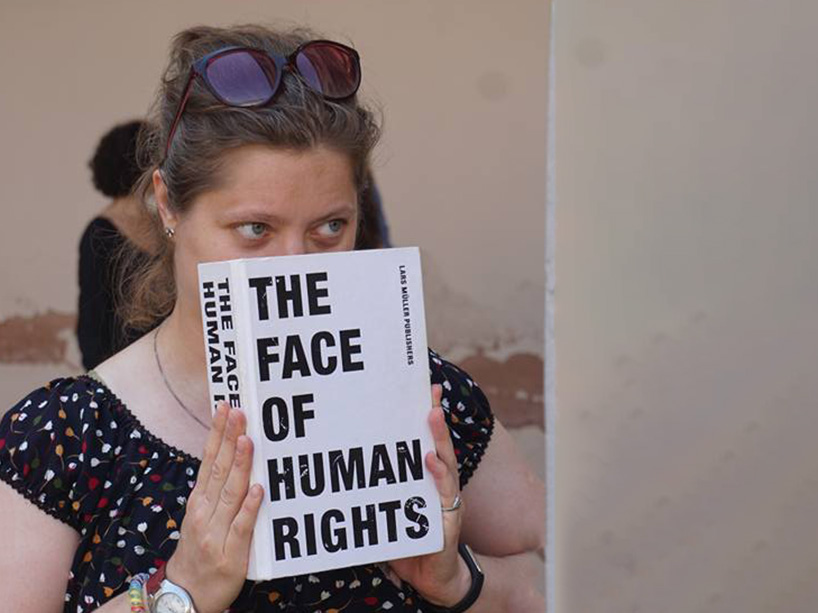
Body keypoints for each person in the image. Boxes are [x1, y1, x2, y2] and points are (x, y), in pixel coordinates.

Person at [0, 25, 545, 612]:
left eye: (329, 228)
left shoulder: (423, 398)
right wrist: (179, 592)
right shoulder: (64, 437)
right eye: (255, 229)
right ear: (167, 204)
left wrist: (458, 582)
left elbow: (565, 572)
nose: (295, 266)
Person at [78, 120, 156, 370]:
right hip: (121, 376)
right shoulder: (98, 234)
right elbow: (92, 325)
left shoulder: (166, 226)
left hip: (165, 368)